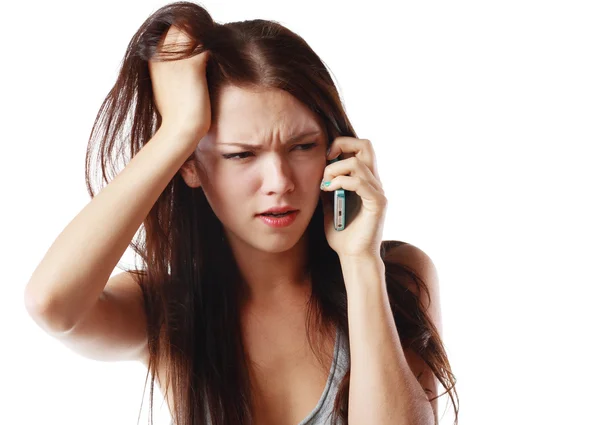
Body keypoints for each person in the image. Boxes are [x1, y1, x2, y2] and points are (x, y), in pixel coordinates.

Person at [24, 2, 458, 424]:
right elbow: (51, 304)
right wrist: (178, 130)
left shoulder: (396, 277)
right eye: (241, 155)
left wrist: (361, 263)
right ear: (190, 165)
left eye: (302, 146)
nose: (279, 181)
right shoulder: (169, 308)